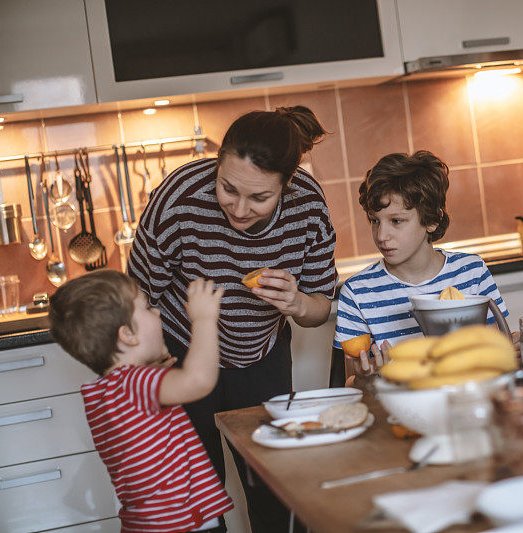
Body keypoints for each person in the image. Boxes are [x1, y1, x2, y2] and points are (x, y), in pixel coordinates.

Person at [127, 107, 337, 532]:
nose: (239, 209)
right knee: (194, 496)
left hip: (260, 355)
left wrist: (297, 303)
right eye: (228, 188)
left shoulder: (309, 206)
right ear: (217, 163)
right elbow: (136, 297)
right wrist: (146, 373)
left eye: (260, 197)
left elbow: (319, 308)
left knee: (273, 485)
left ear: (287, 185)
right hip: (180, 351)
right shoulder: (179, 196)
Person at [48, 270, 232, 533]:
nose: (157, 313)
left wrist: (153, 371)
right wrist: (204, 319)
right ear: (128, 335)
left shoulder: (103, 394)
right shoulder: (137, 383)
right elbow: (198, 380)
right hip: (181, 523)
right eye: (147, 308)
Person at [334, 150, 509, 377]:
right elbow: (350, 382)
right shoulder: (357, 292)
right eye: (375, 221)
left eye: (396, 221)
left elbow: (501, 350)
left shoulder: (471, 272)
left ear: (432, 220)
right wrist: (366, 376)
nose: (381, 235)